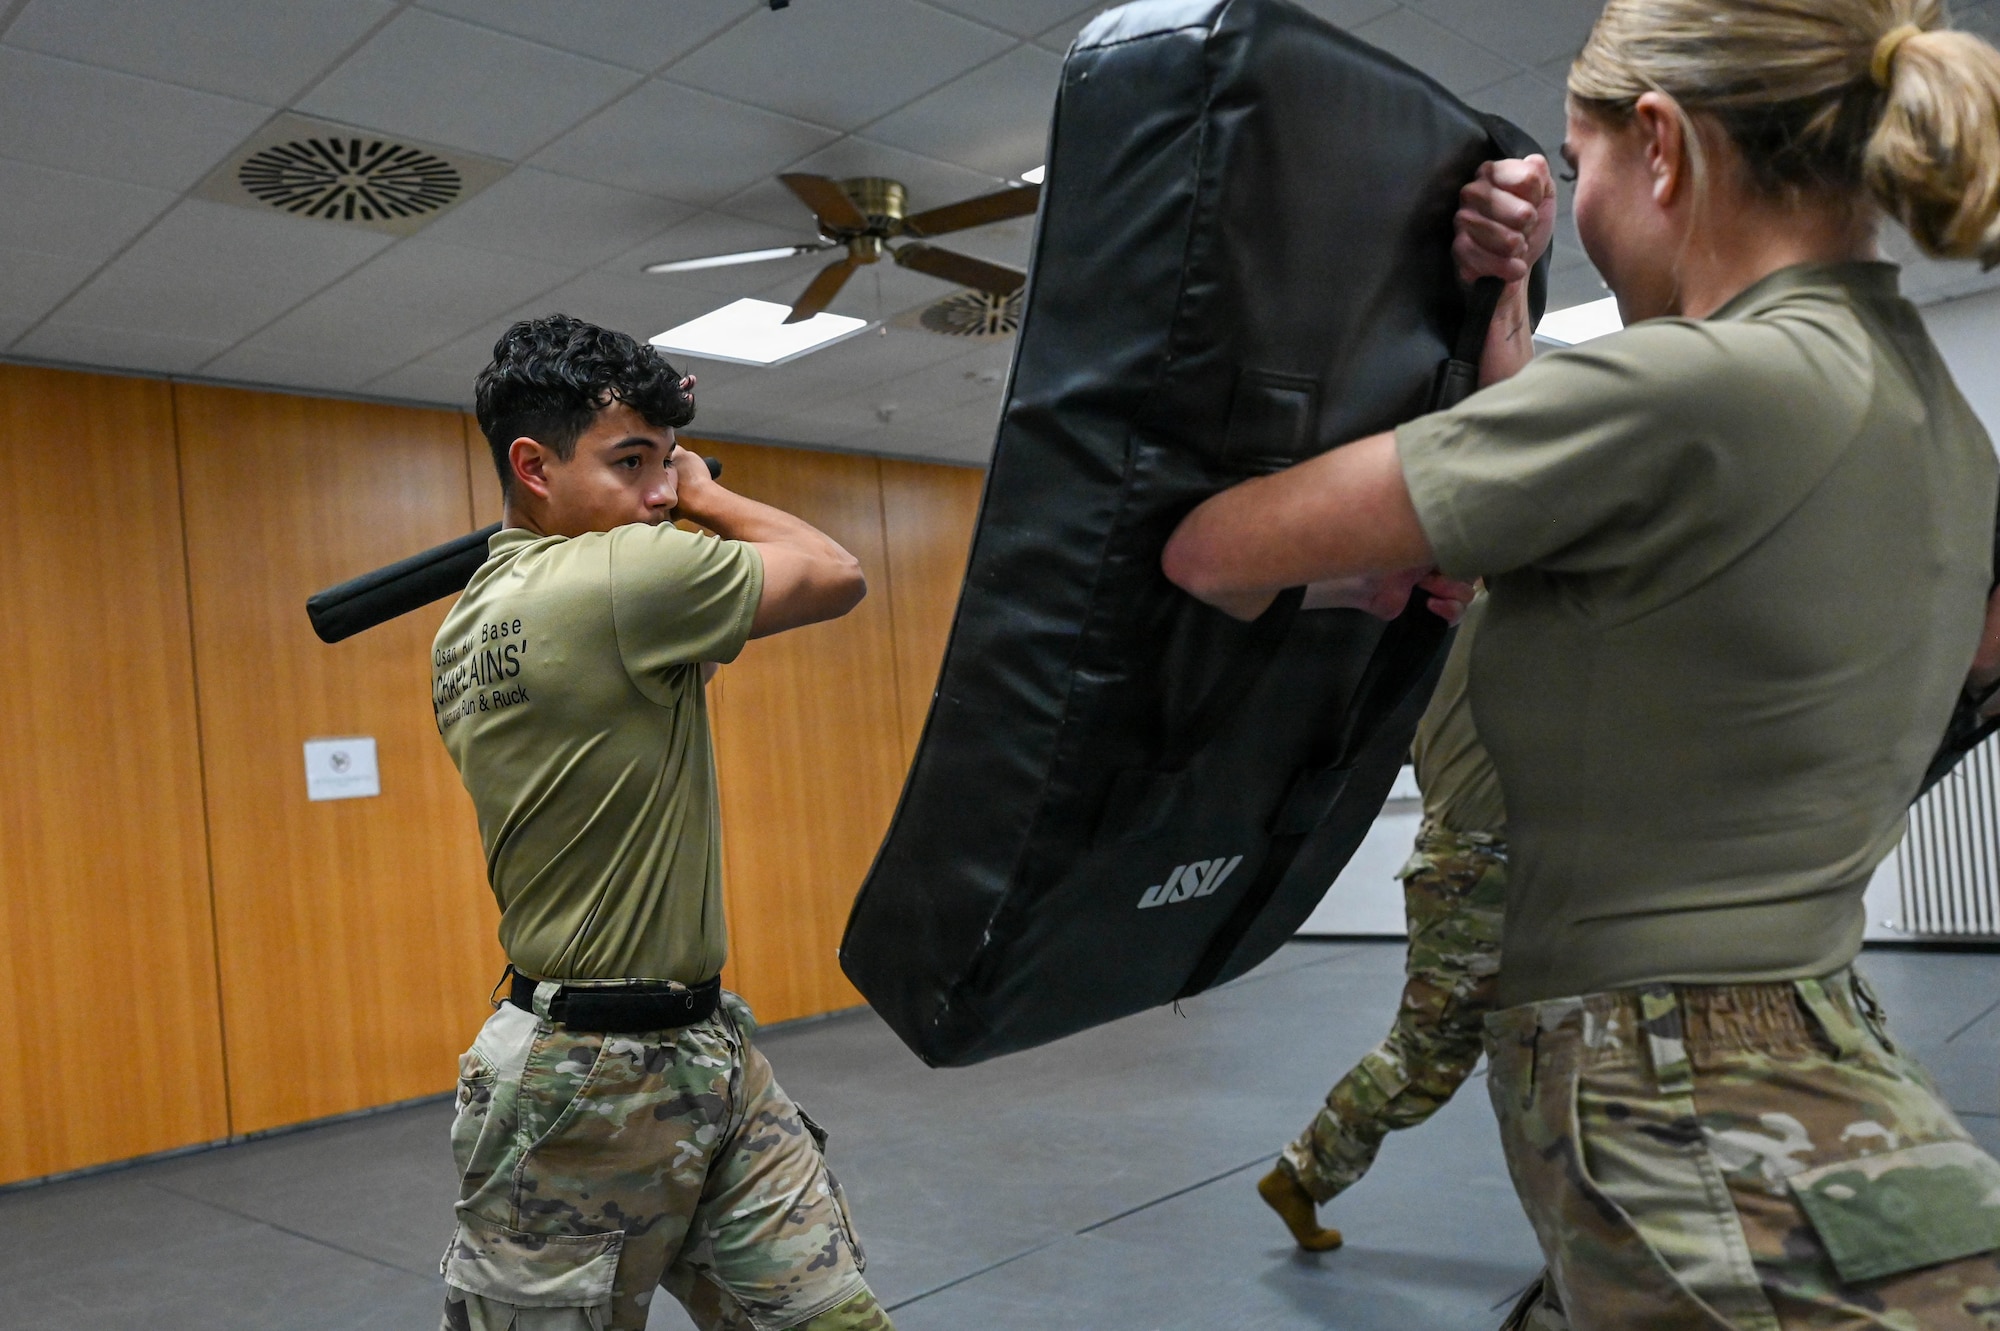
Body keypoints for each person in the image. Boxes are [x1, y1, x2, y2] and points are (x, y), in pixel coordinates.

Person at [1163, 0, 2000, 1323]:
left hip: (1664, 1079)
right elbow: (1573, 475)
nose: (1578, 198)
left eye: (1580, 160)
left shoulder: (1687, 387)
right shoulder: (1937, 417)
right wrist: (1507, 281)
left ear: (1661, 147)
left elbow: (1216, 547)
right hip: (1830, 1029)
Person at [431, 315, 892, 1331]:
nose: (653, 492)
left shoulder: (471, 621)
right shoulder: (617, 580)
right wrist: (702, 488)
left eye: (661, 461)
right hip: (582, 1083)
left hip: (704, 1050)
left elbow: (695, 664)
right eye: (630, 460)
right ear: (532, 465)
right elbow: (833, 570)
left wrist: (655, 485)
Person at [1258, 593, 1507, 1253]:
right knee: (1430, 1054)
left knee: (1553, 1039)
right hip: (1477, 862)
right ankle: (1304, 1171)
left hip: (1514, 856)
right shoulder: (1496, 604)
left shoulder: (1480, 603)